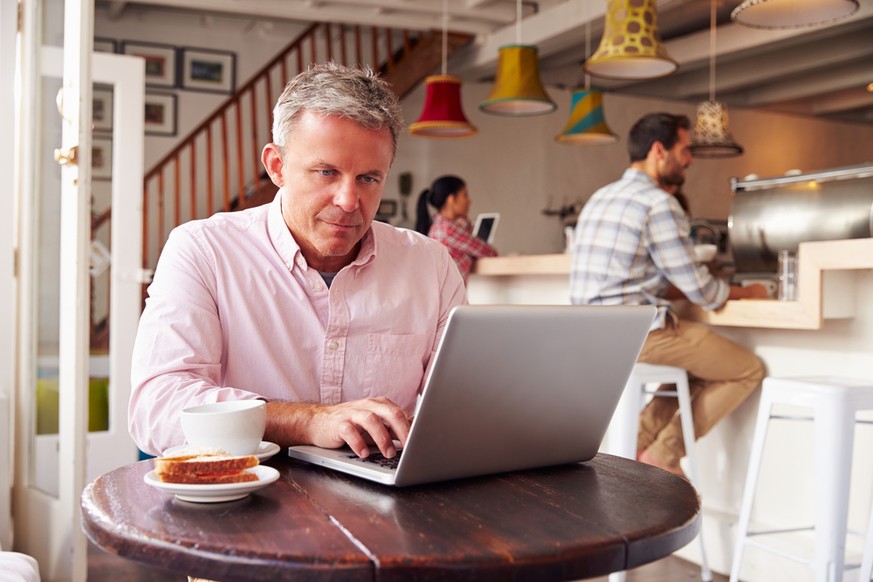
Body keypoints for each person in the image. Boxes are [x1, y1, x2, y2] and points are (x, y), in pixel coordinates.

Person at [129, 63, 467, 460]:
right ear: (277, 166)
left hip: (390, 502)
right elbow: (156, 409)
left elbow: (465, 402)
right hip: (248, 500)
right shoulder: (203, 250)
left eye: (368, 179)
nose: (348, 201)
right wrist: (308, 421)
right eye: (326, 172)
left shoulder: (431, 265)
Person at [569, 112, 769, 478]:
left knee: (699, 368)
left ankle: (636, 445)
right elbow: (704, 291)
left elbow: (650, 277)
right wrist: (750, 291)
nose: (690, 159)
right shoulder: (659, 204)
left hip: (589, 335)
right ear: (659, 150)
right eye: (685, 149)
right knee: (747, 369)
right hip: (635, 334)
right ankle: (665, 453)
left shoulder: (601, 197)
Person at [415, 175, 498, 281]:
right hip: (449, 296)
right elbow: (490, 252)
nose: (469, 201)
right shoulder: (449, 229)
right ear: (452, 199)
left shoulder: (437, 224)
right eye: (465, 195)